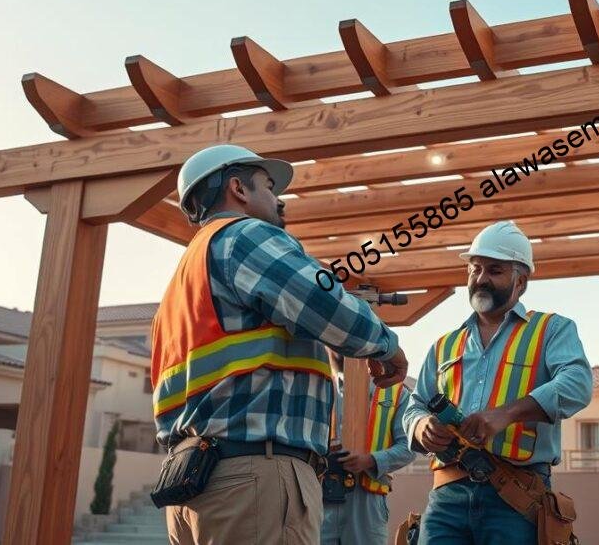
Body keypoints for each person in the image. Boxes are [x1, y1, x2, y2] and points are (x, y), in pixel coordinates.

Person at [151, 144, 408, 545]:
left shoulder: (186, 277)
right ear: (238, 188)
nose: (278, 198)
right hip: (253, 476)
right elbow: (322, 302)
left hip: (195, 480)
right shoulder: (243, 236)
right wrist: (385, 345)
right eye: (268, 186)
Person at [403, 220, 593, 544]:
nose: (481, 279)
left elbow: (577, 384)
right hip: (447, 494)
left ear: (521, 282)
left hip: (515, 497)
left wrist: (506, 414)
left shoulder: (551, 330)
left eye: (494, 270)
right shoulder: (445, 345)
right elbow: (415, 405)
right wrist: (421, 427)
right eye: (475, 269)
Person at [321, 352, 416, 545]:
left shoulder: (395, 392)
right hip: (319, 495)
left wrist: (371, 460)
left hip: (366, 498)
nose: (341, 344)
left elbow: (409, 447)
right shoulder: (315, 386)